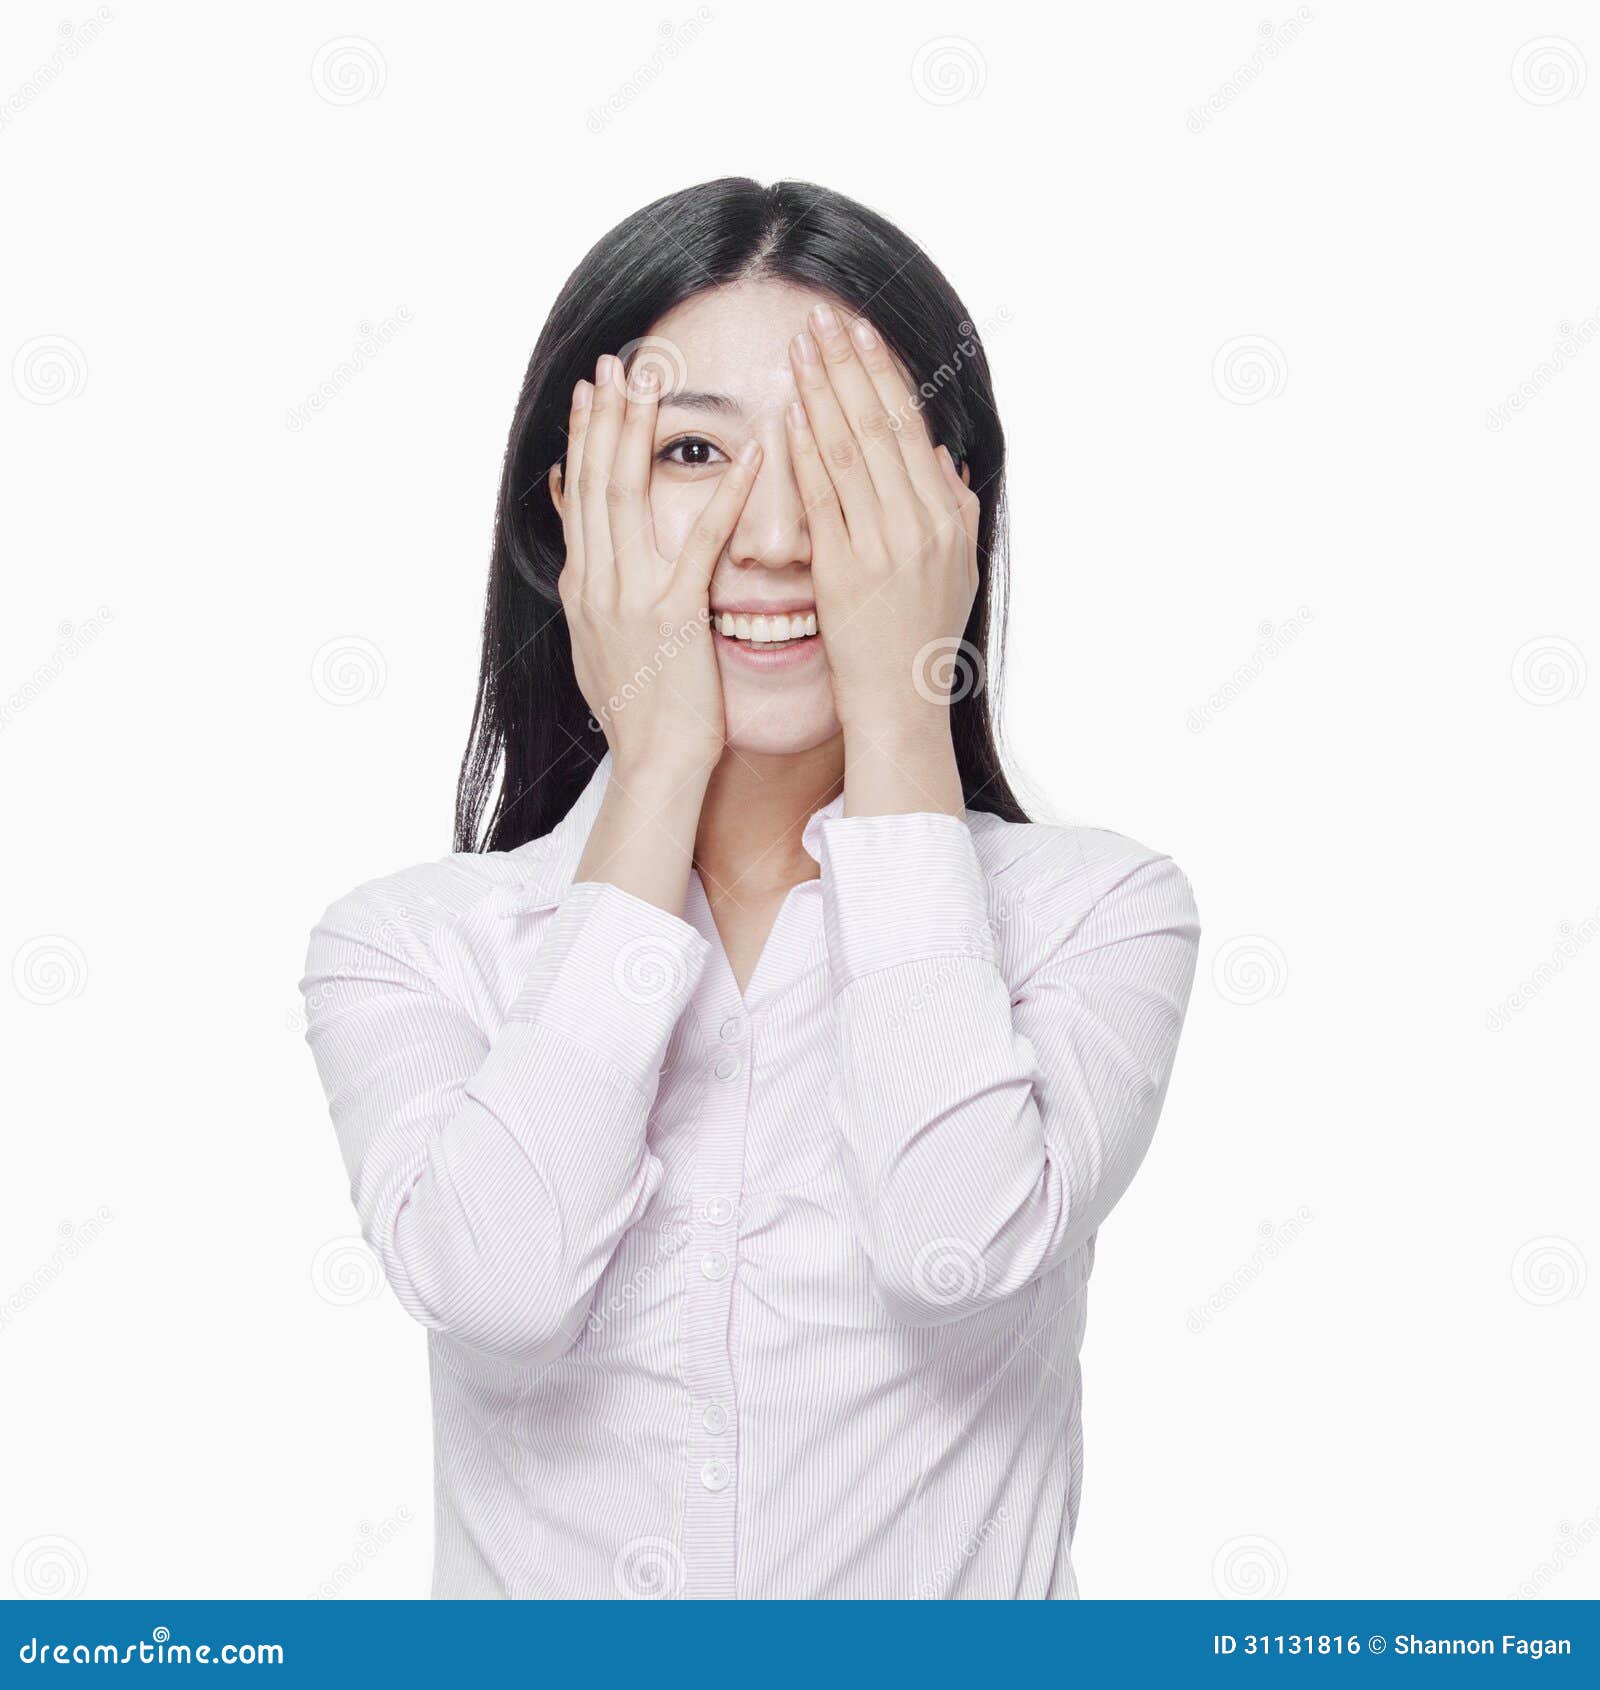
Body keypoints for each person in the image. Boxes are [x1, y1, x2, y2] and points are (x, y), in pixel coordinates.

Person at [301, 178, 1201, 1599]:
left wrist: (907, 703)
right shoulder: (416, 951)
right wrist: (658, 762)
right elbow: (504, 1287)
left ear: (950, 515)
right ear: (568, 514)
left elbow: (952, 1238)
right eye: (692, 450)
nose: (776, 535)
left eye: (851, 455)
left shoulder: (1096, 916)